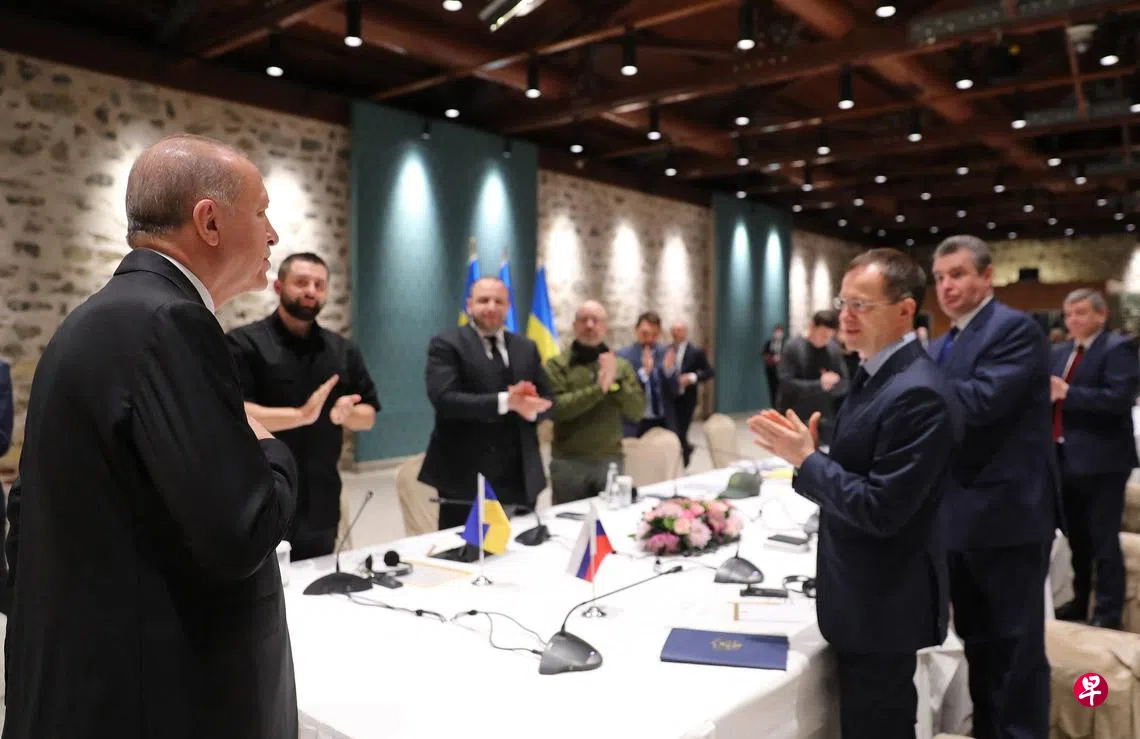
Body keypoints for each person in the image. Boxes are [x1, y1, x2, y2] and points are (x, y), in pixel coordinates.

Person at [5, 134, 299, 739]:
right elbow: (240, 533)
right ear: (209, 222)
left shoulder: (92, 319)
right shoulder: (172, 322)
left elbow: (27, 515)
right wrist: (270, 448)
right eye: (262, 211)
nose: (273, 235)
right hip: (158, 699)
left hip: (88, 684)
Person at [749, 249, 962, 739]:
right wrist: (814, 453)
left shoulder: (918, 391)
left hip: (883, 604)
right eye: (843, 302)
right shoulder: (876, 373)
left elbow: (881, 508)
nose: (846, 315)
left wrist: (808, 460)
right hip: (862, 595)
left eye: (861, 305)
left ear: (905, 310)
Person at [928, 235, 1059, 739]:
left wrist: (908, 384)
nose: (947, 286)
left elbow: (980, 401)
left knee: (1016, 652)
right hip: (960, 517)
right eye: (940, 277)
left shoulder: (1013, 329)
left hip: (1008, 516)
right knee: (978, 644)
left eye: (958, 274)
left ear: (987, 276)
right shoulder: (944, 341)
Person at [227, 252, 380, 561]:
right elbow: (234, 412)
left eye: (319, 285)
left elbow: (368, 417)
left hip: (322, 502)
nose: (311, 290)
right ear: (278, 287)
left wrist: (348, 414)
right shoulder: (243, 343)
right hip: (261, 499)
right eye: (301, 282)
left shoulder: (343, 350)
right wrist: (300, 416)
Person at [419, 277, 553, 530]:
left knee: (520, 548)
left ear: (508, 307)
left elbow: (550, 397)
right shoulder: (446, 344)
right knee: (466, 549)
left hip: (520, 477)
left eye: (498, 301)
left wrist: (531, 409)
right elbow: (444, 399)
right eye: (483, 300)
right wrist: (506, 402)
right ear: (469, 305)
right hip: (464, 477)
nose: (491, 307)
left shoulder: (526, 347)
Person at [1051, 289, 1139, 629]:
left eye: (1081, 313)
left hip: (1104, 461)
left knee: (1104, 541)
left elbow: (1118, 399)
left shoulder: (1117, 348)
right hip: (1063, 456)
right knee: (1077, 540)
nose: (1073, 320)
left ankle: (1108, 611)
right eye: (1069, 314)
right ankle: (1079, 599)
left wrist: (1068, 394)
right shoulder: (1060, 352)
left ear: (1101, 315)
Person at [545, 300, 645, 504]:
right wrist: (599, 389)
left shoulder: (621, 367)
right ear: (574, 326)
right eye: (584, 320)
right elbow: (557, 410)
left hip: (609, 461)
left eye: (596, 320)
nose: (590, 325)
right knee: (567, 520)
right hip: (568, 464)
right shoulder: (556, 365)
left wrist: (615, 385)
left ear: (605, 327)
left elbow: (636, 411)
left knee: (610, 520)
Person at [776, 310, 848, 445]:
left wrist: (834, 384)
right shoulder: (793, 347)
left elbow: (845, 383)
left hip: (824, 418)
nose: (825, 340)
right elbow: (785, 383)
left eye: (829, 336)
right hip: (795, 415)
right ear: (811, 326)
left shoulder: (832, 348)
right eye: (823, 335)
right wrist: (820, 385)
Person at [616, 311, 680, 439]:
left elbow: (675, 391)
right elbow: (622, 392)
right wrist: (644, 373)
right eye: (645, 334)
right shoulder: (623, 356)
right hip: (635, 422)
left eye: (654, 335)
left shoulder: (665, 353)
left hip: (663, 421)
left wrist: (669, 371)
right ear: (636, 330)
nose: (649, 339)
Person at [666, 320, 715, 467]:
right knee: (673, 430)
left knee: (681, 430)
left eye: (679, 330)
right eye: (674, 330)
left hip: (687, 398)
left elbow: (709, 372)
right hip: (670, 397)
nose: (676, 333)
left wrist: (692, 377)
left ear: (685, 332)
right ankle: (683, 452)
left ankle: (684, 460)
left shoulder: (695, 352)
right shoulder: (667, 350)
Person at [762, 324, 785, 406]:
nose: (778, 334)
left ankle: (781, 408)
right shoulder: (769, 343)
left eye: (779, 332)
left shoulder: (786, 343)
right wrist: (770, 359)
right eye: (776, 332)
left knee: (782, 391)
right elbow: (764, 354)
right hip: (771, 371)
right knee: (772, 391)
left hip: (782, 372)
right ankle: (774, 407)